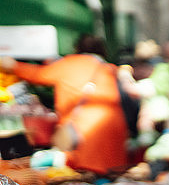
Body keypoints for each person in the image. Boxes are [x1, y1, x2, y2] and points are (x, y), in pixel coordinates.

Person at [0, 34, 131, 174]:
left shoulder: (69, 63)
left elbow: (38, 75)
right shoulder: (109, 68)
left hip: (84, 127)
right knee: (111, 171)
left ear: (77, 48)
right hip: (114, 124)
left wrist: (13, 65)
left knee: (86, 170)